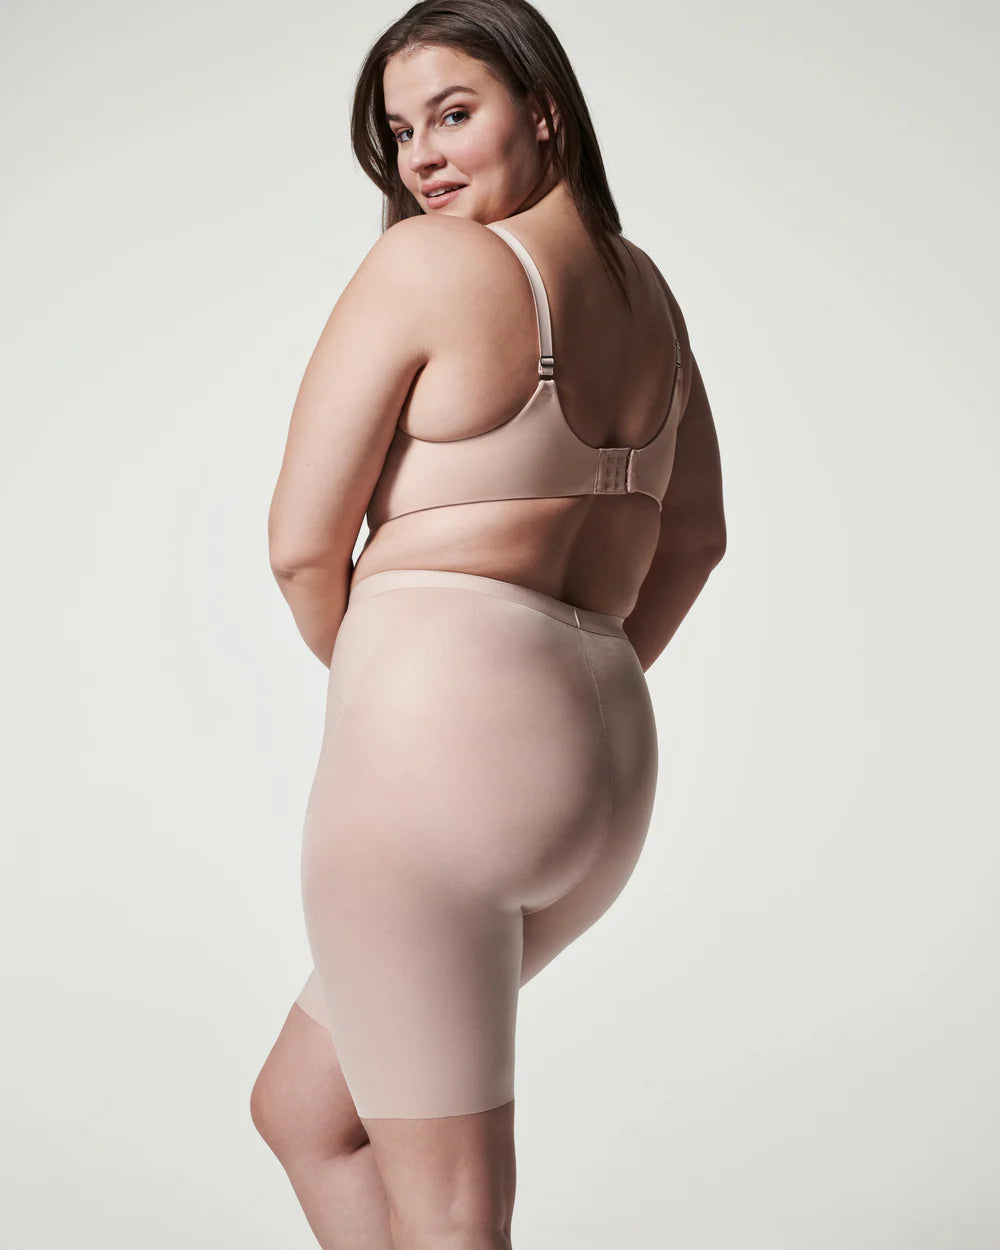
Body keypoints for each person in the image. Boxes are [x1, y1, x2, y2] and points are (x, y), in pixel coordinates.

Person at [251, 1, 726, 1246]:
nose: (422, 158)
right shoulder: (649, 296)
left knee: (454, 1214)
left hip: (438, 761)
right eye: (402, 131)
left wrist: (403, 697)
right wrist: (551, 696)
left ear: (545, 110)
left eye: (453, 114)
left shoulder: (428, 264)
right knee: (303, 1106)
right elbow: (694, 538)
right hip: (604, 771)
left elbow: (301, 545)